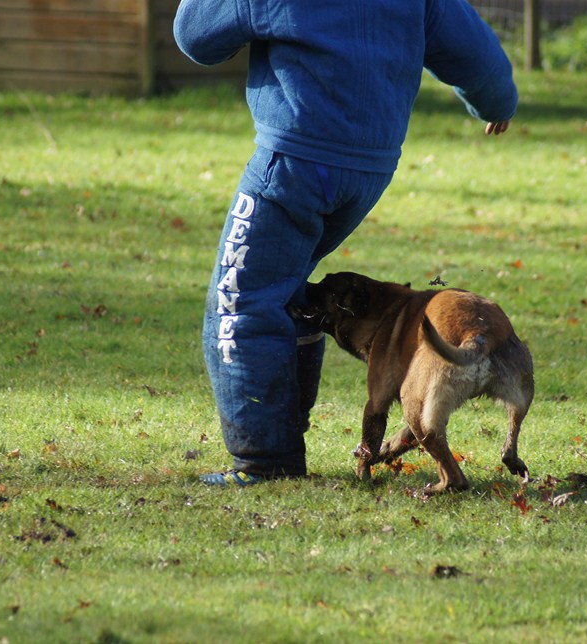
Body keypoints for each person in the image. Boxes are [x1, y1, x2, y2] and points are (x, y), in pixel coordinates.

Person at [173, 0, 518, 486]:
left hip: (296, 158)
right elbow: (472, 48)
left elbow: (195, 35)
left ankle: (265, 460)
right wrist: (497, 101)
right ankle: (282, 436)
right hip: (370, 165)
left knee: (242, 297)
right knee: (286, 290)